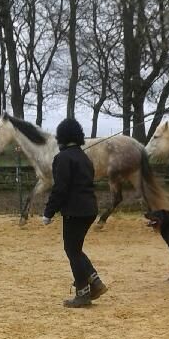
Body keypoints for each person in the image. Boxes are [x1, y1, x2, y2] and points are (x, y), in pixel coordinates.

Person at [42, 117, 108, 308]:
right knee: (75, 250)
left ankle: (83, 293)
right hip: (89, 209)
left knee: (72, 251)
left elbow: (60, 189)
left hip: (75, 211)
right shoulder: (84, 157)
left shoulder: (62, 158)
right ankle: (95, 283)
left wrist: (49, 212)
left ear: (62, 136)